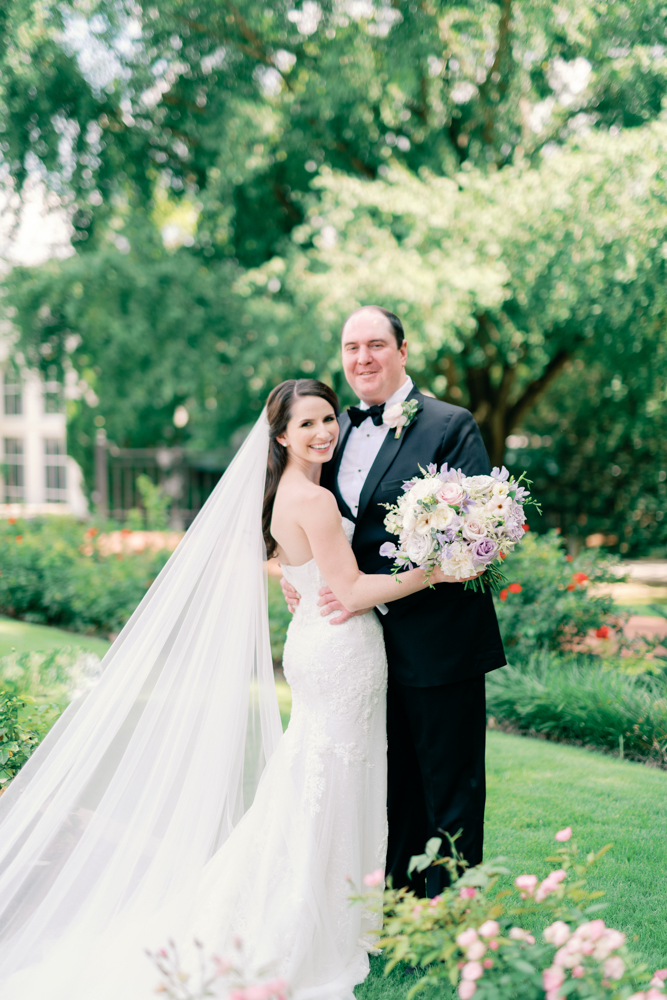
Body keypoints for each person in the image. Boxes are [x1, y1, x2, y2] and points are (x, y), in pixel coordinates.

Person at [0, 378, 471, 1000]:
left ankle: (329, 911)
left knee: (313, 780)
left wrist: (296, 576)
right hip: (340, 649)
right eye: (307, 424)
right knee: (329, 782)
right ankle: (311, 922)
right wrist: (434, 570)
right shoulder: (317, 500)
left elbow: (291, 561)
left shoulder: (286, 491)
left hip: (316, 644)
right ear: (280, 434)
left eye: (329, 419)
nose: (325, 431)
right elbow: (354, 592)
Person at [281, 307, 506, 897]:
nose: (363, 359)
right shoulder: (335, 431)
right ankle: (403, 916)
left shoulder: (450, 424)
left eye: (376, 345)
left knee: (450, 789)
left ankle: (453, 924)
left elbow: (476, 535)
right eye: (352, 347)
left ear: (402, 351)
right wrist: (297, 573)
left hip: (440, 642)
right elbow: (317, 522)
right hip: (361, 647)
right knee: (393, 787)